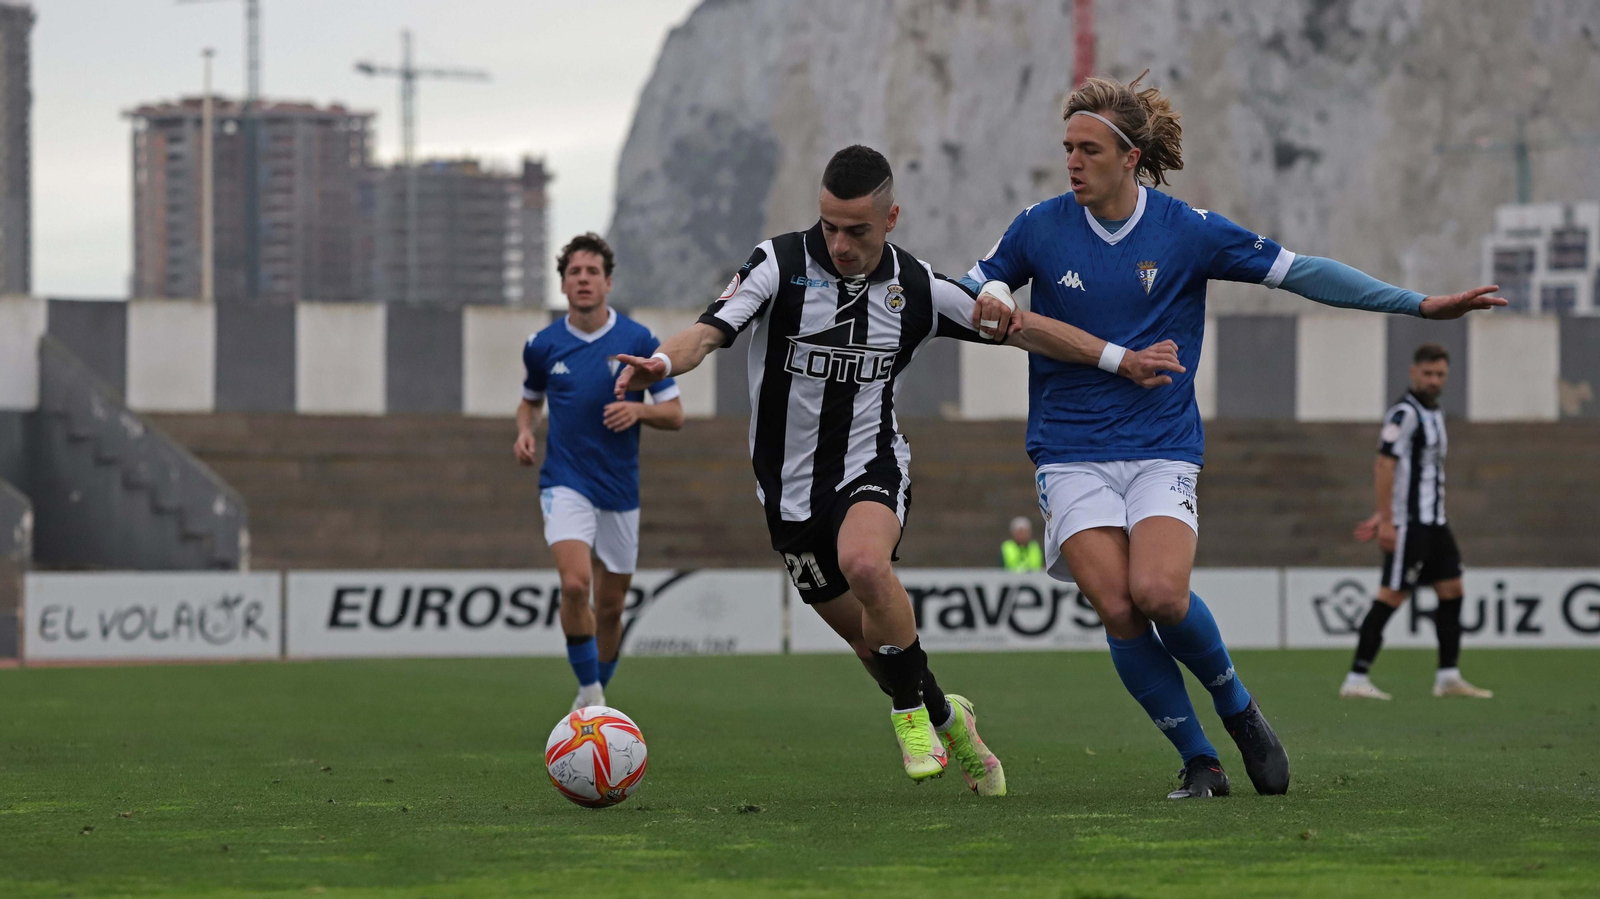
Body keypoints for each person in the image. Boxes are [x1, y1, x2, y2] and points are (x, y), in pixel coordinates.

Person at [965, 74, 1506, 799]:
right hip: (1069, 449)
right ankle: (1200, 760)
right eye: (1067, 147)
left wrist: (1417, 304)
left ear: (1130, 157)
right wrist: (994, 292)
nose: (1072, 162)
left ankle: (1238, 708)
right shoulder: (1039, 225)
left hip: (1161, 443)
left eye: (1088, 149)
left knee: (1159, 593)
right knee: (1118, 608)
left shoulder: (1188, 230)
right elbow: (977, 285)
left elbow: (1302, 272)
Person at [612, 145, 1180, 795]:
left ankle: (908, 715)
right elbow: (708, 332)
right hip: (789, 495)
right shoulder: (778, 264)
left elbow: (1022, 329)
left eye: (856, 230)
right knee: (874, 648)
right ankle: (951, 719)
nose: (840, 244)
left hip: (871, 463)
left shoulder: (918, 288)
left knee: (865, 564)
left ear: (891, 219)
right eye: (829, 226)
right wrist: (662, 362)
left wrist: (1120, 359)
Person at [515, 233, 684, 712]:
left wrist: (639, 411)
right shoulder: (542, 345)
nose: (584, 279)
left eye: (593, 272)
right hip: (565, 480)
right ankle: (590, 693)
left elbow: (674, 414)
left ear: (608, 283)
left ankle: (596, 694)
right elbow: (529, 402)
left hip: (619, 488)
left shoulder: (638, 340)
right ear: (563, 285)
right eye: (575, 272)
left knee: (610, 608)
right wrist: (524, 431)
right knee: (575, 584)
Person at [1342, 343, 1492, 700]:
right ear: (1413, 373)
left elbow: (1414, 473)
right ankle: (1356, 678)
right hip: (1411, 524)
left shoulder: (1434, 413)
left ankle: (1448, 676)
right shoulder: (1404, 413)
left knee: (1452, 590)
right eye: (1428, 373)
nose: (1434, 380)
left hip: (1435, 522)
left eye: (1440, 374)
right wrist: (1388, 520)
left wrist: (1382, 513)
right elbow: (1385, 464)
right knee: (1392, 594)